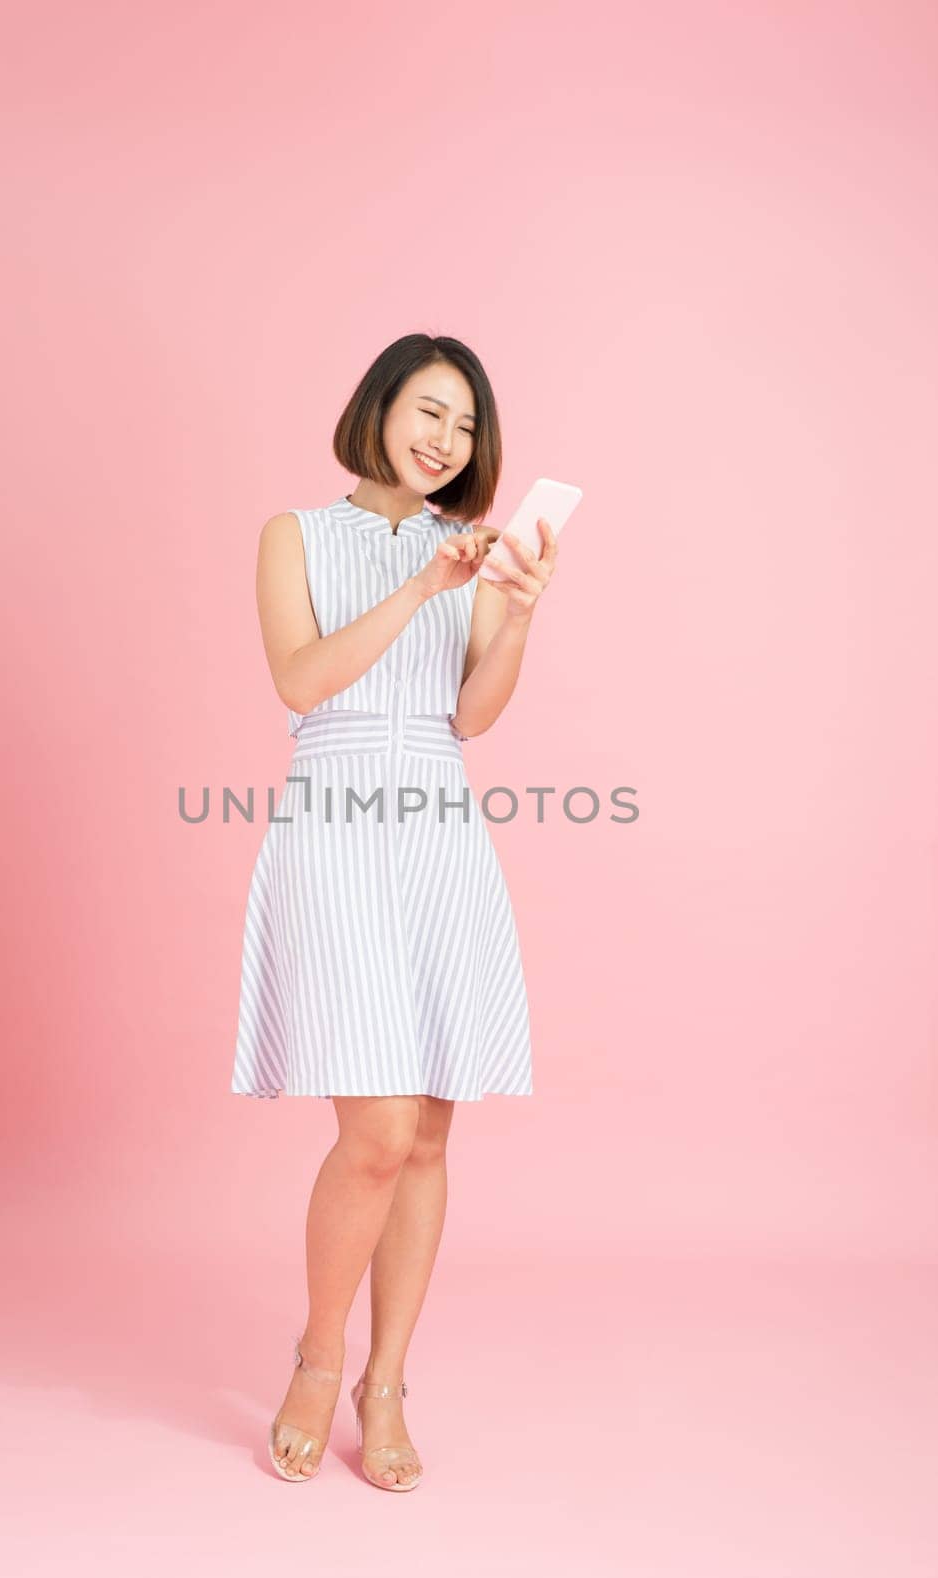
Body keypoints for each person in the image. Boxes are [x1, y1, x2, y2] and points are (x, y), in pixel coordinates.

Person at [230, 332, 558, 1489]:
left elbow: (469, 717)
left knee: (426, 1132)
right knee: (371, 1131)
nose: (446, 440)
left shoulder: (466, 550)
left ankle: (386, 1380)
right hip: (335, 822)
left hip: (439, 833)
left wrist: (511, 611)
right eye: (430, 411)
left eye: (466, 426)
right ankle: (320, 1358)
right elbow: (302, 679)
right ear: (376, 407)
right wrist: (425, 584)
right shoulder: (297, 536)